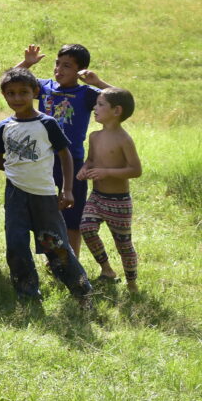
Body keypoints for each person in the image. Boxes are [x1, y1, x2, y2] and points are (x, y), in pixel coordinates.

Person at [0, 68, 93, 305]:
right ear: (4, 96)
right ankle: (27, 294)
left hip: (44, 196)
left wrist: (66, 189)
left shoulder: (47, 123)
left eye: (23, 92)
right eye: (11, 93)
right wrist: (17, 169)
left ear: (35, 92)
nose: (17, 98)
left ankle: (82, 291)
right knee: (16, 244)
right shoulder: (4, 127)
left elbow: (65, 155)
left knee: (54, 244)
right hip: (15, 194)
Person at [17, 43, 112, 258]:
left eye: (67, 66)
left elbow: (120, 99)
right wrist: (27, 64)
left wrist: (97, 82)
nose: (59, 69)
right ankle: (54, 260)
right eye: (57, 63)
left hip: (73, 162)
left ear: (80, 71)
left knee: (72, 216)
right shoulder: (44, 87)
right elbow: (10, 80)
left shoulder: (86, 93)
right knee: (45, 213)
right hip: (42, 161)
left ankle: (72, 262)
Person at [78, 87, 142, 292]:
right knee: (86, 228)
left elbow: (135, 170)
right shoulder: (94, 136)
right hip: (97, 196)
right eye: (95, 104)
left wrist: (107, 172)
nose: (94, 108)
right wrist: (85, 169)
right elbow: (91, 160)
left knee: (123, 244)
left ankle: (132, 283)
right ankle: (106, 269)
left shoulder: (125, 140)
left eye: (100, 104)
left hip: (119, 202)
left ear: (117, 111)